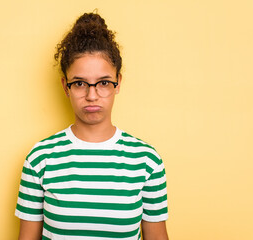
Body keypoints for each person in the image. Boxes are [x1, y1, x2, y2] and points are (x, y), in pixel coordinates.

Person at [15, 12, 169, 240]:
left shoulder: (147, 160)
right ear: (66, 87)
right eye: (79, 83)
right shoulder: (40, 158)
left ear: (118, 83)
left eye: (104, 83)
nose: (92, 95)